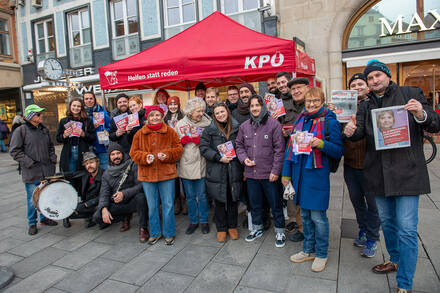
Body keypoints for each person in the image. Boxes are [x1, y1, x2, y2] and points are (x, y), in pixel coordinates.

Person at [344, 59, 440, 293]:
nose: (374, 80)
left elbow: (435, 124)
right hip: (378, 175)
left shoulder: (410, 93)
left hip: (407, 174)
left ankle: (404, 284)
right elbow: (359, 135)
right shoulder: (366, 106)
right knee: (387, 224)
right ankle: (395, 260)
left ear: (387, 76)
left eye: (378, 75)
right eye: (370, 78)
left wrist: (420, 113)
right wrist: (348, 130)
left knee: (407, 229)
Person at [283, 87, 344, 273]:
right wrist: (286, 174)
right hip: (299, 174)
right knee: (306, 217)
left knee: (318, 217)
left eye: (315, 101)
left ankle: (322, 253)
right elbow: (289, 148)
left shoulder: (329, 121)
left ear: (322, 101)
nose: (311, 104)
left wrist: (322, 144)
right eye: (309, 101)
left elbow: (338, 150)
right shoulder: (300, 119)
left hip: (317, 176)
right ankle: (308, 249)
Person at [335, 73, 381, 258]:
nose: (356, 87)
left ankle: (372, 238)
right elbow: (338, 134)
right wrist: (334, 115)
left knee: (373, 205)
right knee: (357, 202)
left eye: (360, 83)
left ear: (367, 86)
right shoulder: (344, 107)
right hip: (351, 164)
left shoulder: (375, 104)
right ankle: (363, 230)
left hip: (371, 165)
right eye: (353, 84)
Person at [235, 94, 286, 247]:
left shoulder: (274, 125)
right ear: (249, 108)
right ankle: (256, 228)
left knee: (275, 204)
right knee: (255, 203)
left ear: (263, 107)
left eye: (257, 105)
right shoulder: (244, 126)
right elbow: (239, 145)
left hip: (269, 173)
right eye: (252, 106)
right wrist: (244, 159)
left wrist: (276, 171)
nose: (255, 108)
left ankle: (280, 230)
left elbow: (279, 150)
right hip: (251, 174)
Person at [130, 105, 183, 245]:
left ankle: (169, 232)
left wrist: (167, 155)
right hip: (147, 175)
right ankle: (154, 232)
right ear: (147, 118)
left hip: (167, 174)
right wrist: (144, 157)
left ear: (162, 117)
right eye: (152, 115)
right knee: (152, 205)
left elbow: (178, 149)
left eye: (157, 115)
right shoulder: (140, 133)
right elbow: (133, 153)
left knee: (168, 204)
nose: (155, 118)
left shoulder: (170, 132)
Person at [9, 104, 58, 235]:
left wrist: (53, 158)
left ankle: (44, 218)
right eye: (38, 114)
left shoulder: (44, 130)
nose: (41, 116)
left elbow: (50, 147)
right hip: (32, 172)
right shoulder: (21, 130)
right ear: (31, 116)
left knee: (46, 196)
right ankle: (32, 223)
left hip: (47, 170)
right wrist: (29, 162)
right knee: (32, 199)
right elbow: (14, 151)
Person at [200, 102, 242, 242]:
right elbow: (204, 149)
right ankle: (221, 228)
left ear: (227, 112)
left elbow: (242, 145)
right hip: (217, 170)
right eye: (217, 113)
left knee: (232, 200)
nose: (220, 115)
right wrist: (219, 157)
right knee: (219, 201)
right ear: (214, 115)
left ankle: (232, 226)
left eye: (222, 112)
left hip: (233, 169)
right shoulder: (208, 131)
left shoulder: (237, 127)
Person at [93, 142, 149, 242]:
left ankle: (143, 228)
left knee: (141, 198)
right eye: (113, 154)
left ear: (122, 154)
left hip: (132, 199)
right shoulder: (106, 173)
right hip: (118, 202)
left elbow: (141, 185)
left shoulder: (132, 164)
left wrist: (124, 194)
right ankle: (125, 216)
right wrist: (104, 208)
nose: (116, 156)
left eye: (118, 153)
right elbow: (104, 193)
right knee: (97, 217)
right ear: (109, 157)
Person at [175, 97, 212, 235]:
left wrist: (203, 141)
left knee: (202, 195)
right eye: (198, 111)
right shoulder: (180, 124)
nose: (201, 113)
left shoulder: (207, 123)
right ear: (190, 111)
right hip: (185, 164)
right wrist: (181, 142)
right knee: (189, 196)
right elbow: (174, 145)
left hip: (201, 163)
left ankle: (203, 220)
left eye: (202, 110)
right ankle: (193, 221)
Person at [280, 75, 309, 242]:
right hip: (293, 158)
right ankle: (301, 228)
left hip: (310, 160)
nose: (296, 91)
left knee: (310, 199)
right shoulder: (287, 106)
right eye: (294, 89)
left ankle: (312, 231)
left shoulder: (314, 106)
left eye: (300, 88)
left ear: (307, 88)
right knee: (295, 196)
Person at [63, 151, 103, 229]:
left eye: (91, 162)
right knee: (69, 212)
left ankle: (95, 218)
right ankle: (90, 217)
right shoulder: (85, 174)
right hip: (88, 203)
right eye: (87, 164)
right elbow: (72, 174)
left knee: (97, 216)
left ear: (97, 162)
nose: (89, 165)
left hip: (100, 204)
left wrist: (86, 204)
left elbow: (104, 196)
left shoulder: (104, 175)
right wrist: (57, 176)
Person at [56, 98, 96, 172]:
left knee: (83, 175)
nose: (76, 108)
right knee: (70, 175)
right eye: (74, 105)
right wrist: (64, 135)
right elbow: (58, 139)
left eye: (78, 106)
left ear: (82, 108)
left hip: (83, 151)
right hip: (69, 152)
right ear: (70, 106)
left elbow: (93, 138)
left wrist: (83, 134)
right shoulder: (64, 121)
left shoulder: (87, 121)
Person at [163, 96, 187, 215]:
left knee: (185, 177)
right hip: (170, 150)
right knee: (175, 178)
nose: (173, 107)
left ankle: (186, 201)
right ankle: (177, 201)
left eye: (175, 104)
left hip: (183, 149)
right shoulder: (164, 118)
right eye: (170, 104)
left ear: (178, 105)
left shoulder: (184, 116)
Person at [83, 91, 111, 169]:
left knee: (105, 170)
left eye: (91, 98)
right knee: (91, 171)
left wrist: (107, 131)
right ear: (84, 101)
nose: (89, 100)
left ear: (94, 100)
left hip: (102, 146)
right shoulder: (82, 115)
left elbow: (110, 127)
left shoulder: (103, 113)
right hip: (88, 148)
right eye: (86, 99)